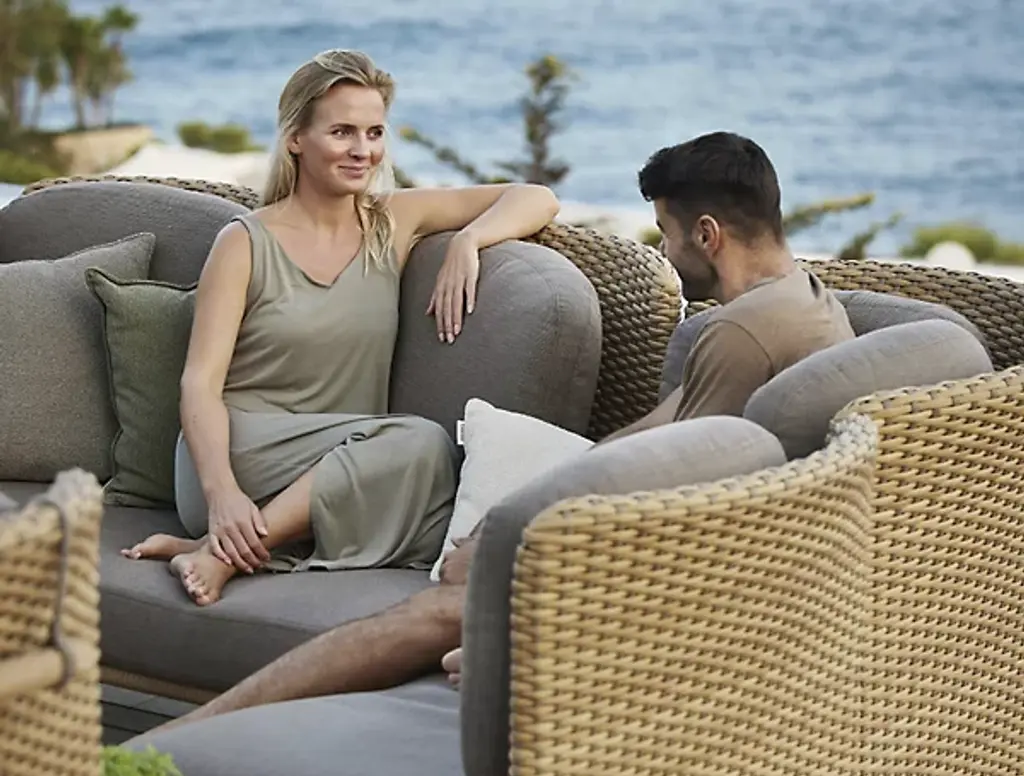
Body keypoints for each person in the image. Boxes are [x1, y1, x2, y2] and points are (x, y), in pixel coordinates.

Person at [152, 131, 855, 732]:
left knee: (431, 611)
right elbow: (663, 430)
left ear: (707, 234)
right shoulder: (812, 307)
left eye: (669, 235)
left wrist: (509, 544)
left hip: (663, 580)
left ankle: (190, 736)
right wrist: (515, 512)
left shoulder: (739, 334)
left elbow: (672, 485)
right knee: (456, 579)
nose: (667, 253)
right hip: (723, 564)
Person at [121, 49, 559, 606]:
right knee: (422, 442)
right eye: (342, 132)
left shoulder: (391, 222)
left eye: (374, 132)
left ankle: (214, 549)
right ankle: (223, 548)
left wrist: (470, 240)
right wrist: (222, 493)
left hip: (345, 461)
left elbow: (535, 197)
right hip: (238, 456)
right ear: (296, 139)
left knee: (445, 496)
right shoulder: (244, 242)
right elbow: (200, 384)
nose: (362, 150)